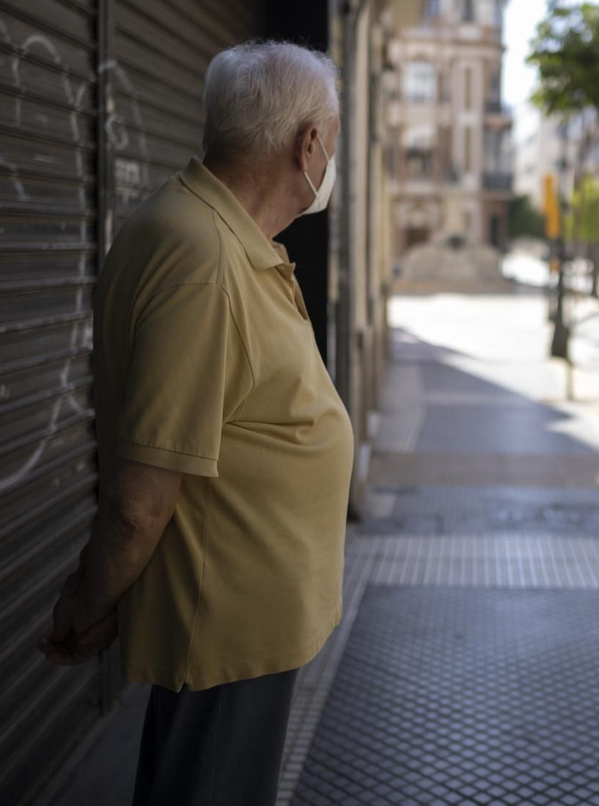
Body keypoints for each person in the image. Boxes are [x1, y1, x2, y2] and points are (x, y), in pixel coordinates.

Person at [39, 41, 353, 806]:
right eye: (334, 137)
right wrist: (91, 599)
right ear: (308, 144)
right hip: (226, 636)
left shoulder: (218, 236)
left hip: (244, 629)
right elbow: (139, 501)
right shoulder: (204, 260)